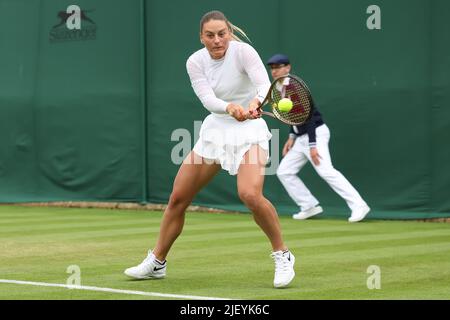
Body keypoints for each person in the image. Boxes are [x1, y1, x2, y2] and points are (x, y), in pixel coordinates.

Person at [124, 11, 295, 288]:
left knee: (250, 194)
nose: (217, 40)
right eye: (210, 35)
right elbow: (207, 98)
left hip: (250, 132)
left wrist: (253, 102)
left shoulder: (244, 52)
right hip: (216, 131)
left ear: (229, 32)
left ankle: (283, 254)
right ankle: (157, 262)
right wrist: (229, 107)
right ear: (201, 37)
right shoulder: (195, 61)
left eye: (221, 34)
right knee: (178, 198)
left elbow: (264, 85)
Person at [268, 54, 371, 223]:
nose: (275, 71)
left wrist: (313, 145)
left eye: (278, 67)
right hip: (301, 137)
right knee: (284, 171)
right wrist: (292, 136)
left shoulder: (294, 87)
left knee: (326, 171)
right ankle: (309, 206)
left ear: (288, 68)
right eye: (272, 68)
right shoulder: (279, 88)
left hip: (315, 133)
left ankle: (359, 205)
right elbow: (294, 116)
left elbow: (308, 117)